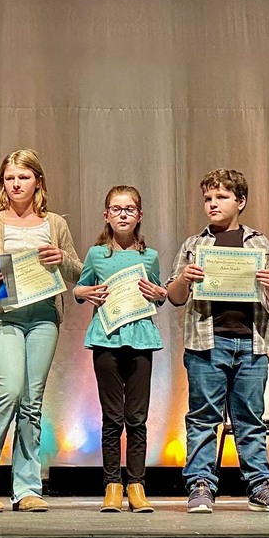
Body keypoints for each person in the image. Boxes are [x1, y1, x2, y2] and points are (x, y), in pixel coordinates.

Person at [0, 149, 83, 512]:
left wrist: (62, 259)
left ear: (38, 182)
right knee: (10, 390)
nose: (16, 184)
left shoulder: (54, 223)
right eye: (10, 178)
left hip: (44, 316)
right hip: (6, 316)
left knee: (32, 402)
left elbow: (78, 271)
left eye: (24, 177)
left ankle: (27, 488)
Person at [166, 168, 269, 513]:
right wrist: (184, 278)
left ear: (241, 201)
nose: (213, 203)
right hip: (206, 344)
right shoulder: (194, 245)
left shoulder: (259, 243)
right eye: (208, 198)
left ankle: (260, 485)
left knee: (250, 419)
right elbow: (174, 296)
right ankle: (201, 485)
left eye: (221, 197)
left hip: (252, 344)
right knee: (204, 418)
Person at [74, 185, 169, 513]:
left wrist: (160, 294)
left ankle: (137, 485)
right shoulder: (96, 255)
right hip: (107, 340)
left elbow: (158, 293)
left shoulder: (149, 256)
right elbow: (80, 287)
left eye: (129, 209)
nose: (123, 214)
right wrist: (85, 292)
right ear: (106, 215)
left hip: (141, 339)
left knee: (137, 418)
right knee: (112, 417)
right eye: (116, 209)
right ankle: (112, 485)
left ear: (139, 216)